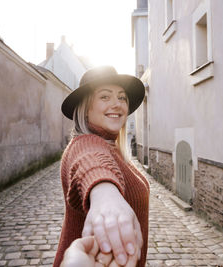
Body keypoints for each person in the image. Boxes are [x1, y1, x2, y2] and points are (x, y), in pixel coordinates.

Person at [53, 66, 149, 267]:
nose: (117, 104)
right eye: (105, 97)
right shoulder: (84, 144)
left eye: (122, 98)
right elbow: (90, 162)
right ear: (86, 107)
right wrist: (106, 199)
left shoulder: (114, 148)